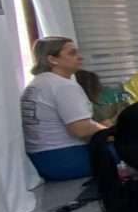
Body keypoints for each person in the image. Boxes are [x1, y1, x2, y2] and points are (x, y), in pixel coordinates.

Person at [20, 36, 108, 180]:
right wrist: (113, 130)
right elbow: (81, 129)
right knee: (135, 150)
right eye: (72, 53)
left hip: (40, 160)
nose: (80, 57)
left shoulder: (37, 84)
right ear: (52, 59)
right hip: (65, 159)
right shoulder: (63, 86)